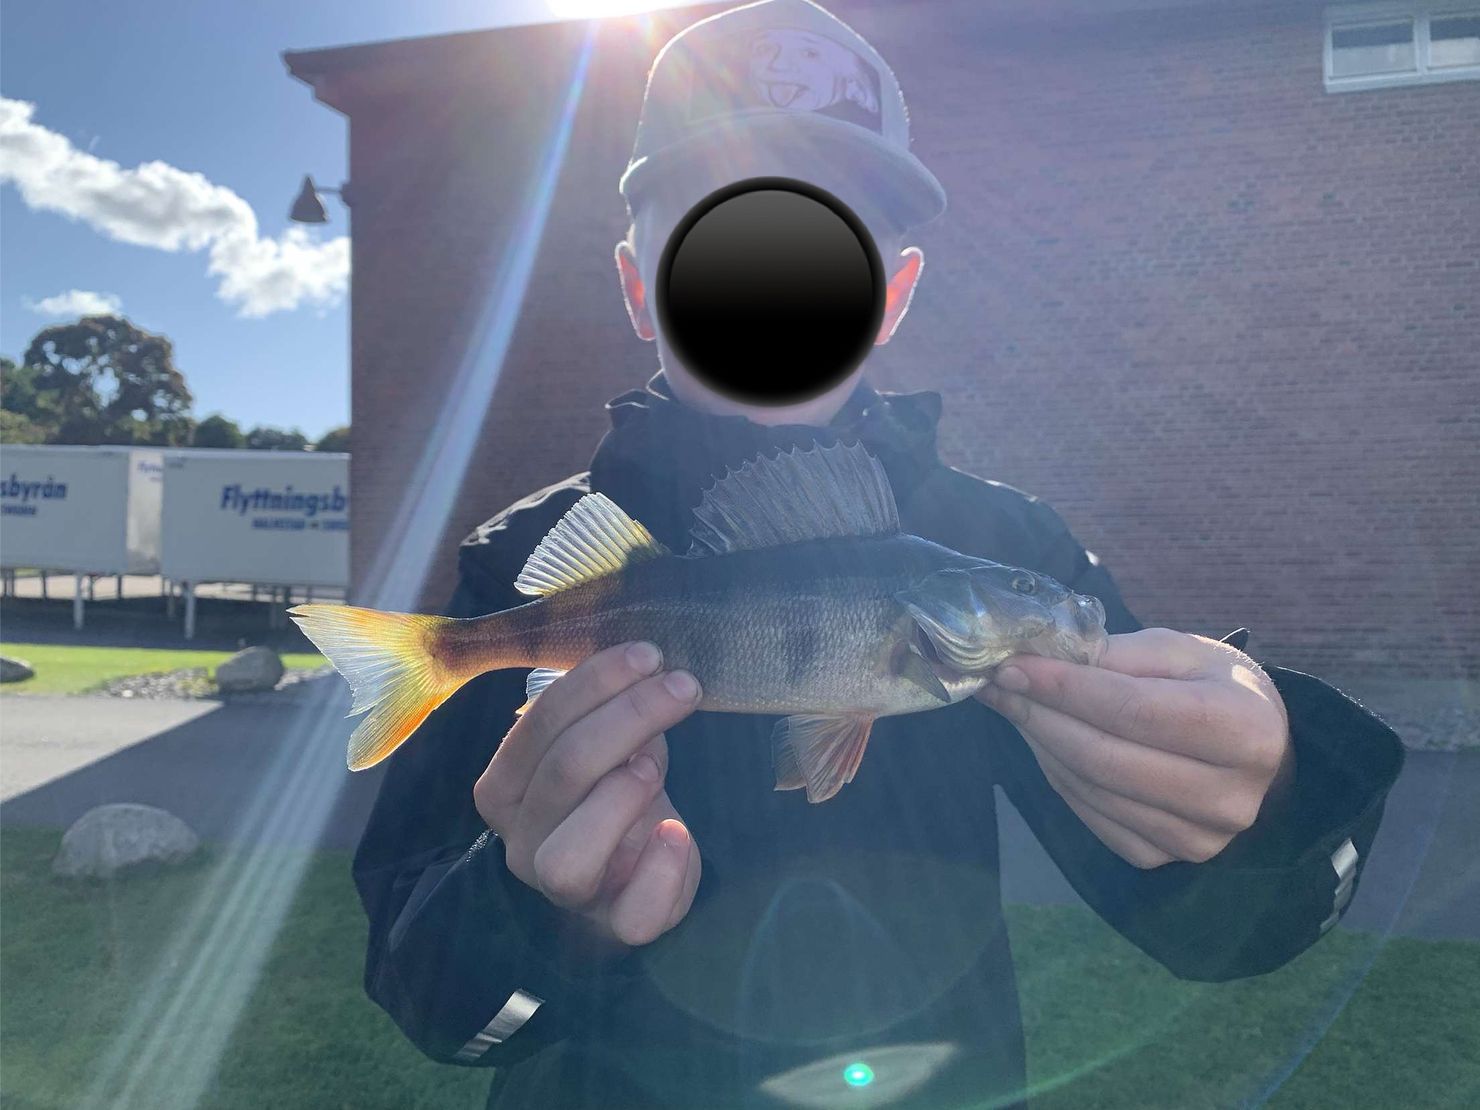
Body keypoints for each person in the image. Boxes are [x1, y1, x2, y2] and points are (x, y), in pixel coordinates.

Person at [350, 2, 1405, 1106]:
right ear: (639, 286)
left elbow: (1219, 931)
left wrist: (1271, 801)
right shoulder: (520, 559)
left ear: (890, 295)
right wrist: (542, 916)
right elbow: (428, 995)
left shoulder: (1009, 547)